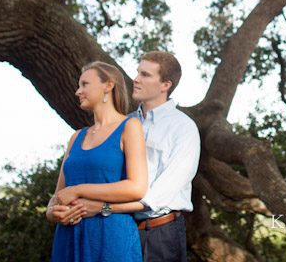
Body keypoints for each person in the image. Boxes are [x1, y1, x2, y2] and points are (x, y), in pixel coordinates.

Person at [71, 51, 201, 262]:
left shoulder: (183, 128)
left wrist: (103, 207)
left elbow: (158, 196)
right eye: (137, 72)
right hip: (118, 230)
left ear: (165, 85)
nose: (136, 79)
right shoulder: (124, 124)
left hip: (160, 234)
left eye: (145, 75)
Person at [46, 61, 148, 262]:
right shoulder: (76, 137)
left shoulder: (130, 126)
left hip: (111, 238)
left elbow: (137, 188)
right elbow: (59, 195)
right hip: (68, 238)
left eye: (85, 84)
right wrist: (52, 213)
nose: (78, 91)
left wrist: (78, 190)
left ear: (108, 86)